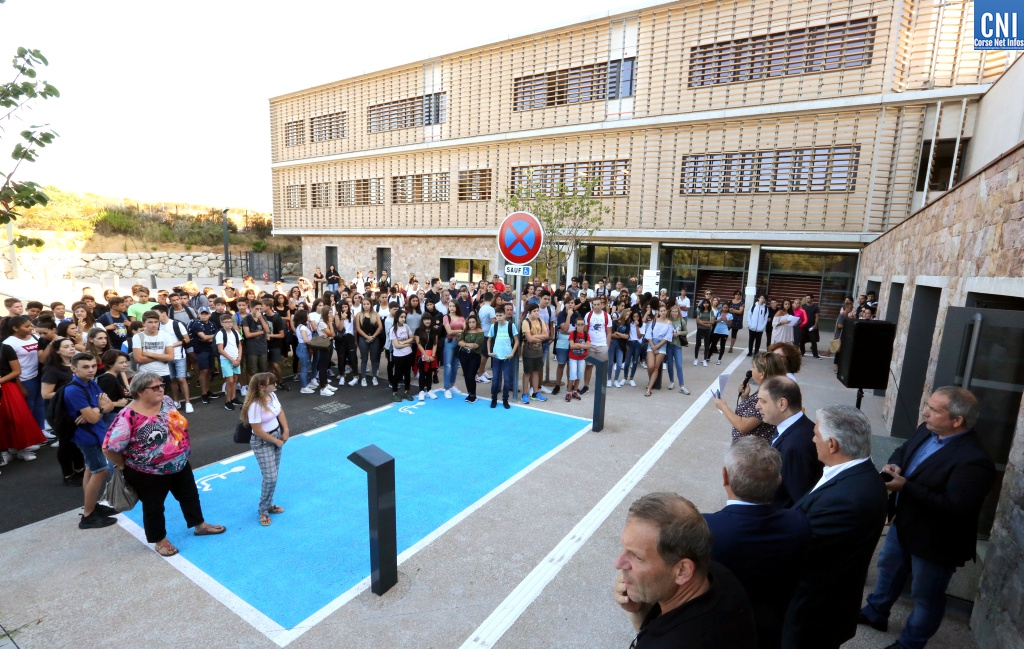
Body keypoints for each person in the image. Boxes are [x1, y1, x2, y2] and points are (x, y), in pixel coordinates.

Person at [860, 387, 995, 649]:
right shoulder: (927, 429)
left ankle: (910, 644)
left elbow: (955, 507)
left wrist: (905, 486)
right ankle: (876, 613)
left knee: (926, 595)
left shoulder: (974, 461)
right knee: (888, 569)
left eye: (934, 409)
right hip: (904, 523)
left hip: (936, 540)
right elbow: (904, 450)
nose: (925, 412)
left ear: (957, 421)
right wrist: (894, 464)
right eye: (928, 406)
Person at [782, 405, 888, 649]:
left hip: (813, 615)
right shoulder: (854, 474)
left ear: (832, 445)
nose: (812, 438)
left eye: (816, 433)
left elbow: (799, 549)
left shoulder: (847, 499)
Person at [704, 437, 812, 649]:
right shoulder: (798, 524)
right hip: (774, 631)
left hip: (720, 632)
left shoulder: (705, 528)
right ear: (778, 481)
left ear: (724, 476)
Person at [103, 372, 226, 556]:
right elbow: (109, 448)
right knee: (154, 507)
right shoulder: (127, 417)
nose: (161, 389)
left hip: (179, 463)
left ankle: (199, 525)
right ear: (140, 392)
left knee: (190, 496)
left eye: (161, 385)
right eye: (155, 387)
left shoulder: (166, 401)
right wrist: (124, 466)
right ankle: (159, 540)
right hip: (148, 472)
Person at [613, 492, 757, 649]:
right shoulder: (719, 576)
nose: (619, 563)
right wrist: (640, 612)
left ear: (682, 571)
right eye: (625, 549)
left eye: (637, 557)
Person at [64, 352, 118, 528]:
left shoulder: (92, 383)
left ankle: (91, 506)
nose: (91, 370)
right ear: (74, 368)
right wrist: (100, 409)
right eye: (85, 367)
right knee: (100, 471)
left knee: (91, 468)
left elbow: (110, 405)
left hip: (95, 433)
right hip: (87, 437)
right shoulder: (73, 390)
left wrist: (98, 410)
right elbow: (98, 415)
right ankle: (88, 516)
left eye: (93, 366)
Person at [754, 376, 822, 508]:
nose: (757, 406)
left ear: (782, 404)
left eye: (763, 401)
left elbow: (800, 499)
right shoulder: (793, 426)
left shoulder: (795, 446)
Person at [241, 372, 291, 527]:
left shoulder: (272, 396)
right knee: (270, 477)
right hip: (263, 442)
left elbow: (280, 411)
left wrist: (286, 429)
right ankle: (263, 510)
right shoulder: (255, 405)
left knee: (273, 476)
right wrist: (276, 441)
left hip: (276, 436)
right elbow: (257, 430)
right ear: (262, 387)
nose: (275, 385)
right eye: (272, 383)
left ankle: (268, 503)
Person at [713, 351, 787, 443]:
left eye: (753, 367)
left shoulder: (767, 397)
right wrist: (745, 396)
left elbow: (743, 426)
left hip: (753, 452)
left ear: (762, 374)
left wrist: (723, 407)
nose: (751, 370)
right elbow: (753, 413)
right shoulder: (768, 389)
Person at [40, 337, 84, 483]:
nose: (71, 348)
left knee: (79, 441)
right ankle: (68, 474)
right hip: (61, 412)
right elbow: (46, 394)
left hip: (78, 410)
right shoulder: (53, 369)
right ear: (58, 351)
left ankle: (80, 469)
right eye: (66, 347)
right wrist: (71, 393)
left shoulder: (77, 365)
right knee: (66, 443)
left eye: (72, 345)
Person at [155, 305, 192, 413]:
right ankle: (176, 401)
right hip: (165, 357)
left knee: (181, 378)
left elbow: (186, 339)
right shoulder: (157, 326)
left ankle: (188, 402)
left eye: (156, 314)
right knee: (171, 379)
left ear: (164, 313)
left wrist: (171, 345)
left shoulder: (176, 324)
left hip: (179, 355)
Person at [132, 311, 174, 391]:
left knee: (161, 399)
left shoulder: (166, 335)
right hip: (145, 374)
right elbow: (138, 359)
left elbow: (171, 357)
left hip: (163, 373)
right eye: (150, 322)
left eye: (156, 322)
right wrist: (162, 356)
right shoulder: (138, 337)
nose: (154, 325)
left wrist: (149, 354)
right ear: (143, 323)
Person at [487, 308, 518, 409]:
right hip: (496, 357)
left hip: (506, 358)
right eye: (497, 316)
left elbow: (516, 341)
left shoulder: (511, 326)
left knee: (507, 379)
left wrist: (512, 353)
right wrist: (489, 352)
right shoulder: (493, 326)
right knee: (495, 379)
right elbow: (489, 340)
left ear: (505, 315)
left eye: (500, 315)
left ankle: (505, 400)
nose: (498, 317)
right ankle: (494, 399)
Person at [188, 307, 220, 403]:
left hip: (210, 349)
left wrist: (209, 338)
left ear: (210, 314)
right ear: (199, 315)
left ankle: (207, 390)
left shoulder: (212, 324)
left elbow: (216, 336)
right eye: (202, 313)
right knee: (204, 371)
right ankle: (204, 393)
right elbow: (204, 337)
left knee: (210, 371)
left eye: (206, 313)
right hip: (201, 350)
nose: (204, 315)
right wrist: (210, 337)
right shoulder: (196, 324)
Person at [642, 303, 674, 397]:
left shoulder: (669, 323)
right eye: (661, 311)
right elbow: (649, 334)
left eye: (664, 310)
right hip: (652, 343)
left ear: (666, 311)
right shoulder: (654, 321)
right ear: (659, 312)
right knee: (650, 366)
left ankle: (649, 388)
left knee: (656, 367)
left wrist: (657, 347)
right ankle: (650, 380)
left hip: (662, 345)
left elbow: (667, 337)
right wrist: (653, 346)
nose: (663, 312)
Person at [520, 303, 548, 404]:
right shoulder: (526, 322)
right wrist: (540, 336)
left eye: (537, 311)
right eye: (534, 311)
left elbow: (547, 335)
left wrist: (535, 337)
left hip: (538, 351)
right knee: (527, 372)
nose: (536, 313)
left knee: (536, 372)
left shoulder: (541, 321)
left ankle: (535, 393)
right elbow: (529, 339)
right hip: (528, 351)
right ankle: (525, 393)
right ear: (529, 312)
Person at [581, 297, 611, 393]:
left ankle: (601, 387)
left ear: (602, 305)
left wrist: (607, 346)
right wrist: (586, 343)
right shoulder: (588, 315)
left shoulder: (607, 316)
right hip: (591, 345)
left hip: (602, 345)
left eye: (598, 304)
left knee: (602, 368)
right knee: (589, 366)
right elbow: (585, 330)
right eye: (595, 304)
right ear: (592, 305)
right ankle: (586, 386)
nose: (597, 306)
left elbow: (609, 332)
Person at [215, 314, 243, 410]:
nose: (229, 324)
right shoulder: (220, 334)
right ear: (221, 323)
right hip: (226, 360)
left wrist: (238, 358)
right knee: (229, 381)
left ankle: (233, 397)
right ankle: (227, 401)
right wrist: (232, 359)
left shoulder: (235, 332)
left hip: (236, 359)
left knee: (235, 379)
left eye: (230, 322)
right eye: (226, 322)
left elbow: (239, 345)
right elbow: (220, 350)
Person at [97, 350, 131, 427]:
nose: (125, 365)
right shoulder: (108, 379)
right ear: (110, 364)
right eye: (121, 363)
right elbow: (99, 401)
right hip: (110, 416)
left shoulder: (116, 375)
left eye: (125, 362)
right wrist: (118, 403)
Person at [456, 314, 485, 403]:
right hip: (464, 355)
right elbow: (459, 341)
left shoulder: (480, 332)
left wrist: (465, 344)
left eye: (473, 322)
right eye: (470, 322)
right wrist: (468, 345)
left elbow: (476, 345)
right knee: (466, 375)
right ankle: (469, 393)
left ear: (477, 322)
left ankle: (473, 395)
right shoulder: (465, 331)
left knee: (471, 375)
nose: (472, 324)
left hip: (474, 356)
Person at [354, 299, 383, 386]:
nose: (366, 306)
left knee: (374, 359)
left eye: (367, 304)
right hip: (363, 339)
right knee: (364, 359)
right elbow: (358, 328)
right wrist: (367, 337)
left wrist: (373, 336)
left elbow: (380, 327)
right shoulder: (359, 315)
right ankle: (363, 378)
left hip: (374, 338)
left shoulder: (375, 314)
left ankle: (374, 376)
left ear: (371, 305)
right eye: (364, 304)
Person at [389, 310, 416, 402]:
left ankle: (407, 391)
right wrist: (406, 344)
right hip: (398, 355)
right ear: (397, 317)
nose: (403, 319)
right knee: (398, 373)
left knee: (407, 373)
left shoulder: (406, 327)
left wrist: (403, 343)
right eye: (401, 317)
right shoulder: (393, 329)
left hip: (408, 354)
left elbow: (412, 338)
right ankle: (395, 392)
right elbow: (396, 345)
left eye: (404, 317)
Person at [414, 313, 439, 401]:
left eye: (429, 319)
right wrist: (425, 355)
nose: (427, 321)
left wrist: (432, 356)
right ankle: (421, 391)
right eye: (425, 319)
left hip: (432, 355)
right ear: (422, 320)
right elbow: (418, 344)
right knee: (422, 374)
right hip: (422, 355)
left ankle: (429, 390)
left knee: (429, 373)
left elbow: (435, 344)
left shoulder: (434, 330)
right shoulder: (418, 331)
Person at [665, 304, 689, 394]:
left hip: (677, 345)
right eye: (673, 311)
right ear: (670, 312)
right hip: (669, 345)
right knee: (670, 364)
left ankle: (682, 385)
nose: (674, 313)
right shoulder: (668, 320)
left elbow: (686, 331)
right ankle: (671, 381)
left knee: (679, 365)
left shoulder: (681, 321)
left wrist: (679, 333)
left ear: (678, 312)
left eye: (676, 312)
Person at [566, 318, 590, 401]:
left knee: (579, 375)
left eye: (582, 324)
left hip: (582, 358)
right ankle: (569, 392)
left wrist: (578, 345)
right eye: (579, 324)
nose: (580, 326)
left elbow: (588, 346)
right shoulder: (573, 333)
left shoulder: (586, 334)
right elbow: (572, 346)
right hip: (573, 357)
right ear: (575, 325)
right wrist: (583, 345)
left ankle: (575, 391)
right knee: (572, 375)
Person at [609, 309, 631, 388]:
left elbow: (627, 336)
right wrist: (622, 335)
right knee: (610, 362)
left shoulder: (627, 325)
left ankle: (616, 380)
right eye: (626, 314)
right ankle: (609, 379)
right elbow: (611, 335)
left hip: (621, 345)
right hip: (613, 343)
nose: (627, 316)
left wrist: (618, 333)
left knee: (619, 363)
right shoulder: (615, 322)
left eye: (629, 315)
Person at [799, 295, 821, 359]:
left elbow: (817, 317)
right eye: (806, 298)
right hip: (804, 326)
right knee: (801, 340)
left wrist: (815, 325)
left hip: (812, 327)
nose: (807, 299)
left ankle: (815, 355)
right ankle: (802, 352)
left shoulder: (815, 307)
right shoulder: (803, 306)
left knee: (813, 341)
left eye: (808, 298)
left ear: (812, 299)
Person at [693, 299, 713, 366]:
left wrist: (702, 322)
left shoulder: (711, 312)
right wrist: (706, 324)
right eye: (704, 303)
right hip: (700, 329)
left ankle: (705, 359)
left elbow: (712, 322)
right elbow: (697, 321)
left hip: (707, 330)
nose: (705, 304)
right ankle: (696, 358)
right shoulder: (700, 311)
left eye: (707, 303)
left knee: (706, 344)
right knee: (698, 344)